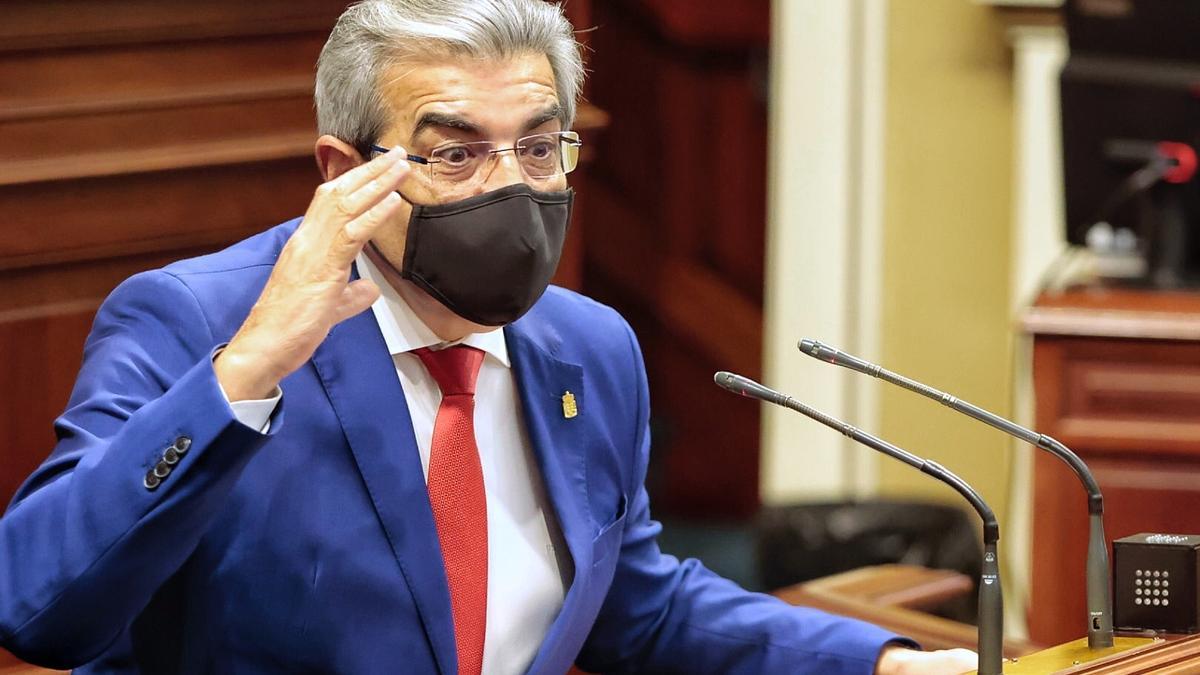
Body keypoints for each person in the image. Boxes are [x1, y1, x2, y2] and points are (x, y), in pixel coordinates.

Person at [0, 1, 979, 673]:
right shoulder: (198, 322)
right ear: (346, 168)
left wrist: (879, 658)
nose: (509, 187)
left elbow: (639, 608)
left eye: (540, 146)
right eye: (455, 153)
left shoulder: (588, 348)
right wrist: (247, 374)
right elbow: (41, 608)